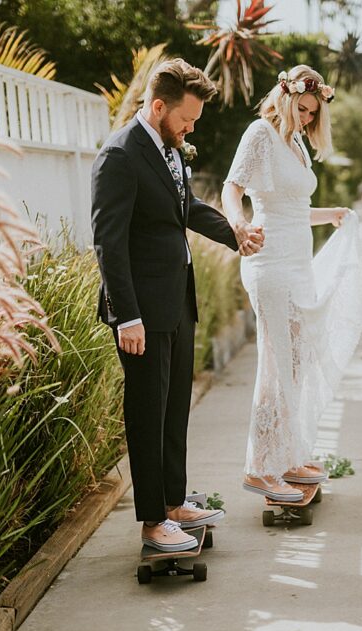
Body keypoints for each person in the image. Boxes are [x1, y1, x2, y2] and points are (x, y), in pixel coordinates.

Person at [92, 59, 264, 552]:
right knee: (147, 413)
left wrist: (237, 233)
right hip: (140, 313)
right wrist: (127, 315)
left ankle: (172, 503)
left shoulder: (168, 150)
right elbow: (109, 242)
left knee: (173, 410)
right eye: (187, 119)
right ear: (158, 105)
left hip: (176, 303)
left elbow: (186, 207)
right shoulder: (120, 155)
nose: (191, 129)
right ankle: (151, 521)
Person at [222, 65, 362, 502]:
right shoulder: (260, 135)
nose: (305, 118)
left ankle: (286, 456)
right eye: (301, 108)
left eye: (312, 113)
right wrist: (238, 223)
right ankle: (259, 468)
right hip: (269, 263)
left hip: (298, 262)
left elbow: (293, 210)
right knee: (276, 362)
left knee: (295, 364)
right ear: (284, 96)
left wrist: (333, 214)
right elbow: (233, 187)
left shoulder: (298, 144)